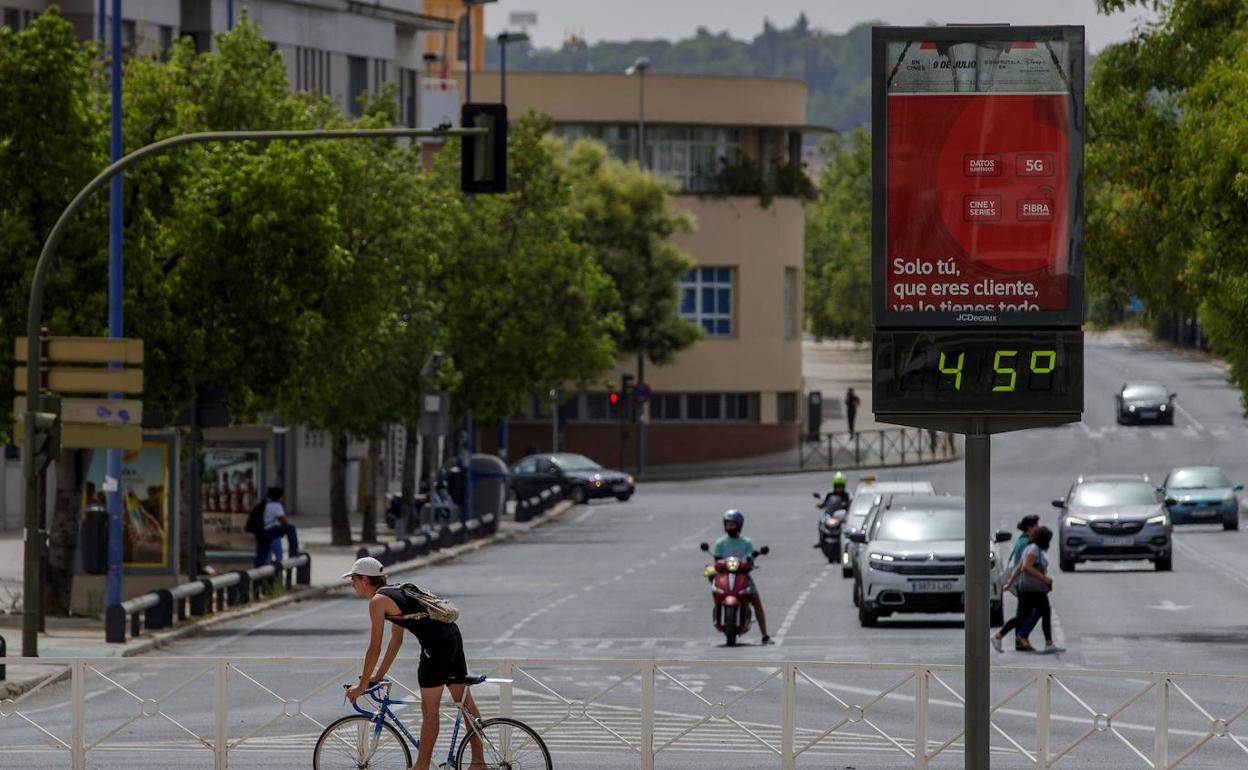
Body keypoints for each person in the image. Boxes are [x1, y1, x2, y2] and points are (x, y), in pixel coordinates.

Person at [343, 557, 485, 770]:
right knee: (464, 702)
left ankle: (422, 766)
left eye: (353, 579)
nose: (351, 584)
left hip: (435, 647)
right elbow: (396, 641)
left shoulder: (377, 602)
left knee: (429, 709)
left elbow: (374, 648)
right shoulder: (394, 592)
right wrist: (378, 675)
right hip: (451, 636)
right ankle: (478, 762)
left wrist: (362, 685)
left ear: (364, 579)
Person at [992, 526, 1065, 655]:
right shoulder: (1034, 550)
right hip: (1031, 589)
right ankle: (998, 636)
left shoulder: (1030, 549)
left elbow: (1019, 568)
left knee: (1042, 612)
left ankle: (1049, 642)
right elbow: (1026, 567)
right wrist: (1045, 578)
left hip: (1030, 589)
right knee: (1024, 616)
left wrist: (1009, 583)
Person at [712, 510, 771, 644]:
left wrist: (752, 559)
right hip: (724, 575)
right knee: (716, 591)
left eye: (732, 525)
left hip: (742, 575)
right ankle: (717, 614)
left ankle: (765, 634)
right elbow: (716, 561)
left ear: (739, 525)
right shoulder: (720, 543)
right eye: (728, 525)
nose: (730, 528)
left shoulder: (746, 542)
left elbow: (750, 559)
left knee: (755, 600)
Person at [1001, 515, 1040, 651]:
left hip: (1021, 583)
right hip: (1024, 584)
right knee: (1030, 612)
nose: (1038, 528)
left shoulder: (1022, 540)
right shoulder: (1025, 543)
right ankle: (1005, 636)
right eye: (1036, 525)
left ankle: (1020, 639)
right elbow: (1024, 565)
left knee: (1024, 612)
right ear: (1030, 528)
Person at [254, 486, 299, 567]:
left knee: (262, 554)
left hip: (260, 532)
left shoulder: (263, 505)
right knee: (290, 528)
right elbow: (284, 521)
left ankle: (258, 572)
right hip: (269, 531)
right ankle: (293, 553)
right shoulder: (275, 505)